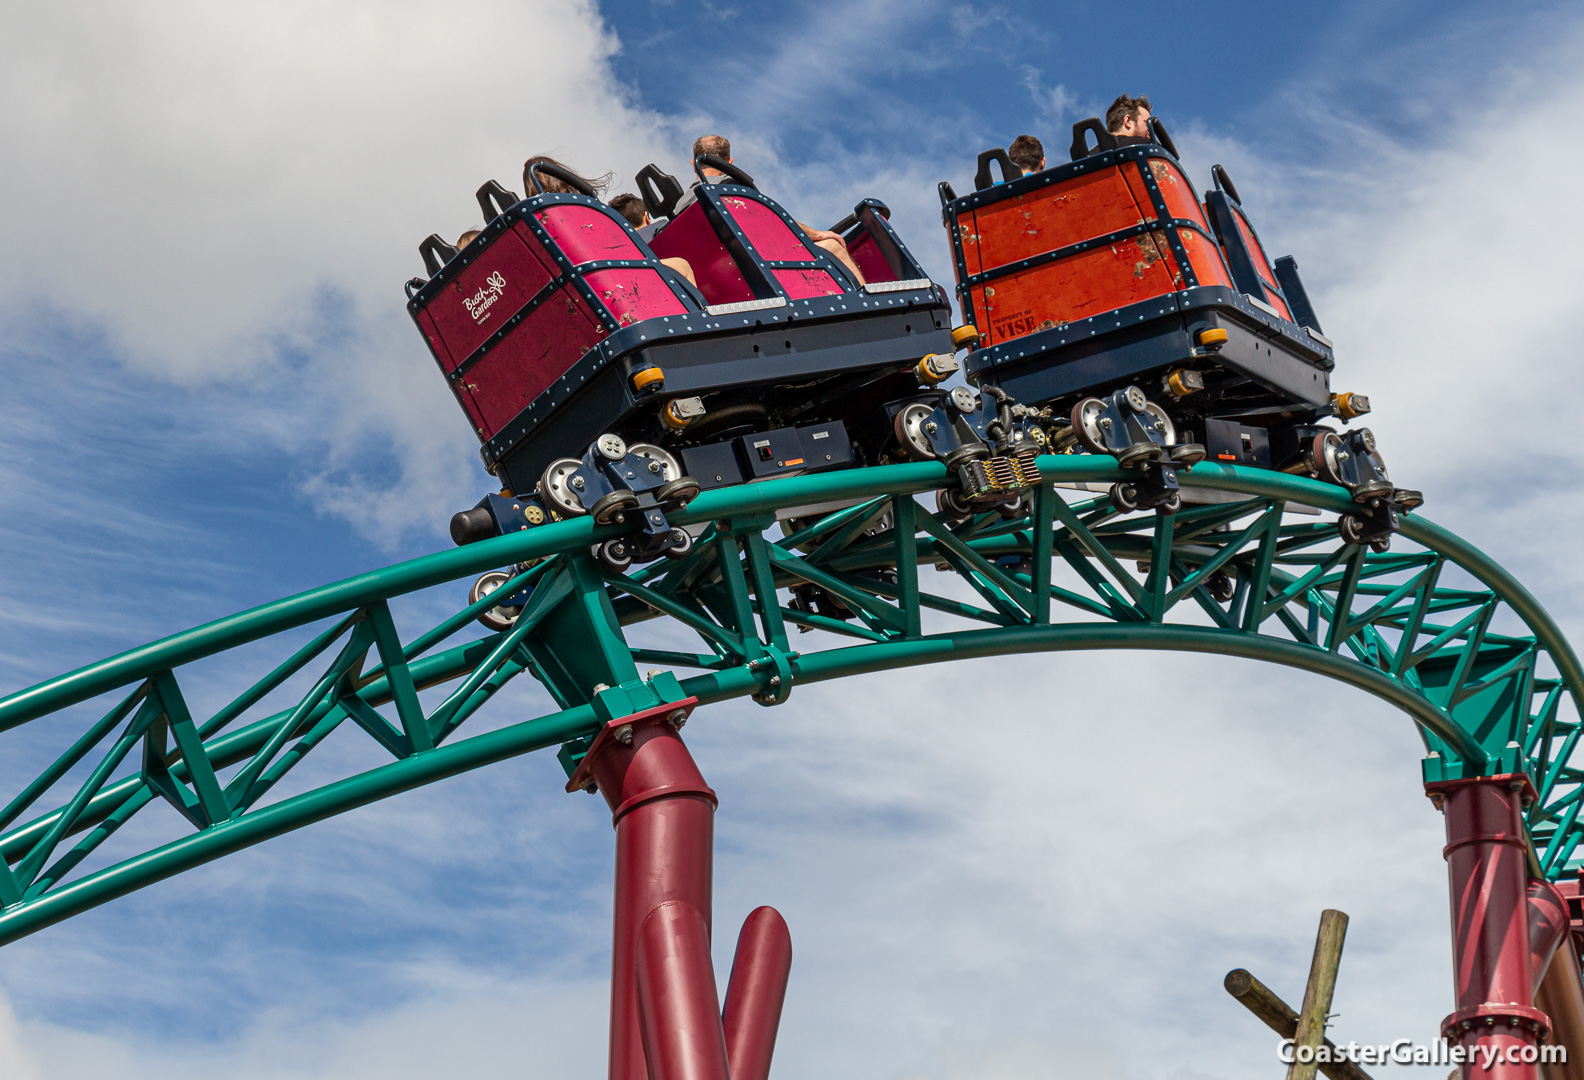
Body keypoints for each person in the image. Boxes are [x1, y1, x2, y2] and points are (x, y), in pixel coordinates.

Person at [689, 134, 866, 284]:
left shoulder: (678, 207)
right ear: (730, 162)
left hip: (711, 276)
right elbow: (771, 220)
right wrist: (818, 235)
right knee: (831, 246)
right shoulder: (729, 189)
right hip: (752, 270)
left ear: (693, 163)